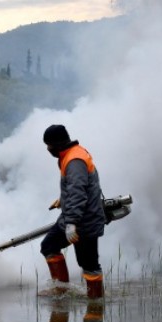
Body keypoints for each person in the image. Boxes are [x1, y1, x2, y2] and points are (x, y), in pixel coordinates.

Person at [40, 124, 107, 299]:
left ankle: (96, 303)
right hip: (77, 217)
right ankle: (61, 289)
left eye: (49, 145)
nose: (48, 149)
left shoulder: (74, 160)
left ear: (57, 143)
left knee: (89, 264)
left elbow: (79, 193)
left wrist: (71, 223)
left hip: (84, 221)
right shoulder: (71, 154)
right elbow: (76, 187)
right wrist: (63, 200)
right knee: (49, 246)